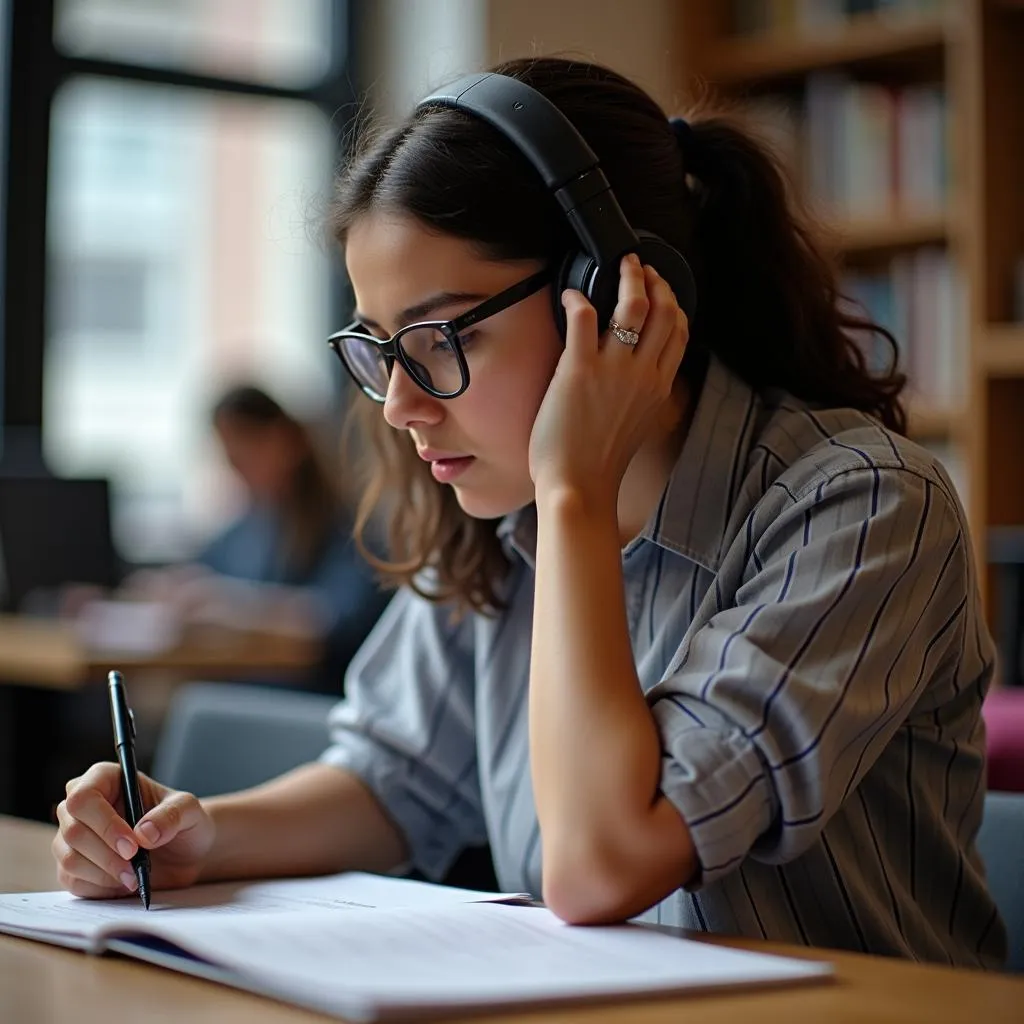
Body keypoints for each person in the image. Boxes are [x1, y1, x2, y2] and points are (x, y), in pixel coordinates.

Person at [52, 57, 1006, 968]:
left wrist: (574, 491)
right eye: (379, 346)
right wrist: (196, 836)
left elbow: (602, 865)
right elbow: (392, 781)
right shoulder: (497, 515)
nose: (400, 403)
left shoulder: (864, 505)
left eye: (439, 336)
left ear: (617, 297)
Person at [124, 384, 390, 691]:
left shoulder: (350, 529)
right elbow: (197, 574)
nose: (237, 471)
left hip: (309, 695)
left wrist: (228, 603)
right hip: (252, 688)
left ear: (284, 442)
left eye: (243, 455)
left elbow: (331, 622)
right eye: (230, 459)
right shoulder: (249, 526)